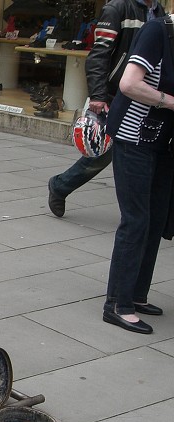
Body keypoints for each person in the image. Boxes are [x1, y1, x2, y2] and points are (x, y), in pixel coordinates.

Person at [47, 0, 165, 217]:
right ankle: (61, 185)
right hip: (118, 93)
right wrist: (98, 95)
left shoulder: (158, 10)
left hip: (144, 92)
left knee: (133, 150)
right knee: (105, 152)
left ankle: (144, 210)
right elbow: (99, 54)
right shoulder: (117, 8)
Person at [101, 15, 174, 335]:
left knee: (156, 220)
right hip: (134, 139)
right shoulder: (158, 31)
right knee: (136, 221)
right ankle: (118, 304)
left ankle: (137, 295)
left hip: (164, 143)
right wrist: (170, 102)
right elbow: (129, 84)